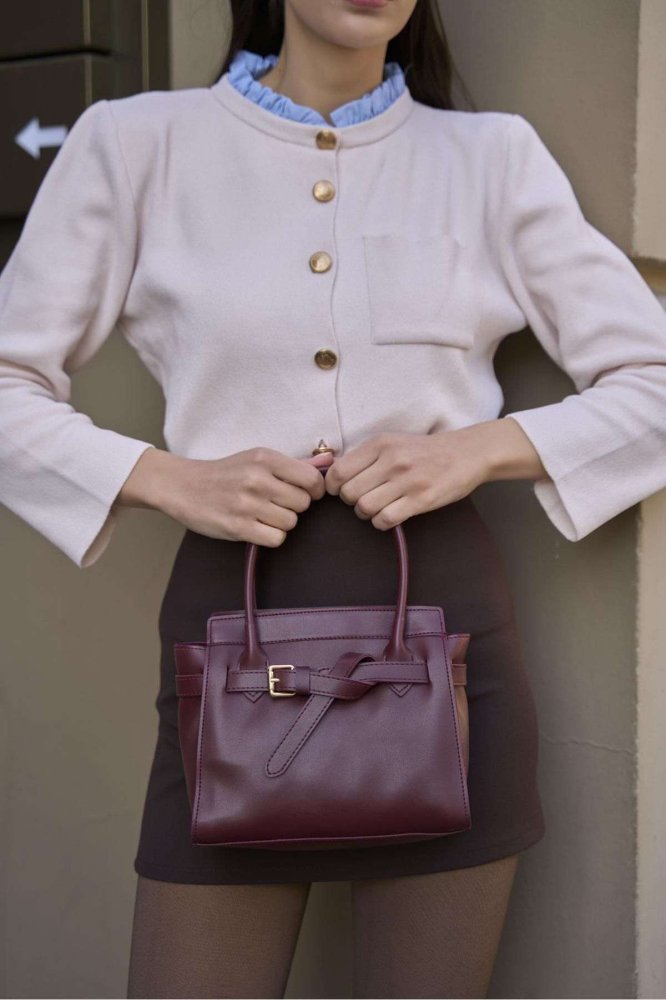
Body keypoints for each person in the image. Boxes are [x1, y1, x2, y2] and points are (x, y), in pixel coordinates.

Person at [0, 0, 665, 997]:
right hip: (232, 639)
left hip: (445, 644)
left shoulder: (491, 158)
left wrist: (479, 451)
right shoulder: (136, 145)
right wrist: (170, 478)